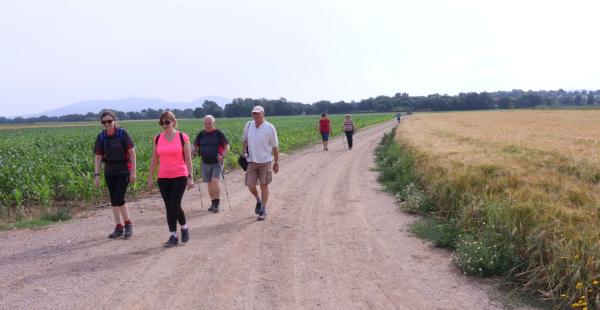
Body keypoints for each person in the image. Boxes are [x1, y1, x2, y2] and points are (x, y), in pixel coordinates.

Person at [147, 111, 194, 247]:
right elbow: (155, 159)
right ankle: (173, 235)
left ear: (173, 122)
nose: (165, 124)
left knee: (174, 204)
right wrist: (150, 176)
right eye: (162, 122)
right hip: (163, 177)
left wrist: (190, 177)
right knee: (169, 207)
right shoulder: (157, 138)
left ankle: (184, 227)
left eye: (167, 122)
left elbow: (188, 159)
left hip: (180, 174)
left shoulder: (182, 137)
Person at [94, 110, 137, 239]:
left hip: (123, 170)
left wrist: (133, 172)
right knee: (113, 200)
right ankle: (118, 227)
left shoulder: (122, 134)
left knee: (119, 198)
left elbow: (132, 153)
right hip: (109, 171)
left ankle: (128, 224)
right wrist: (96, 174)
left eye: (109, 121)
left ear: (114, 121)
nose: (107, 124)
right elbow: (98, 157)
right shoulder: (101, 137)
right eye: (104, 122)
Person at [242, 105, 279, 221]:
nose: (256, 116)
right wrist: (243, 152)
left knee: (264, 185)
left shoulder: (269, 127)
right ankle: (258, 200)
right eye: (254, 113)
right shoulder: (248, 125)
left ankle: (263, 209)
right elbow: (245, 140)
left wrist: (276, 161)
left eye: (258, 113)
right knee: (250, 184)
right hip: (251, 161)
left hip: (265, 161)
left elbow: (275, 146)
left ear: (263, 114)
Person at [192, 115, 230, 213]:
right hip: (205, 162)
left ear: (214, 123)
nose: (207, 125)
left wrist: (223, 156)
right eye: (206, 123)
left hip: (217, 162)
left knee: (215, 182)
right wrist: (193, 153)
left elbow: (227, 146)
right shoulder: (201, 134)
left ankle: (217, 203)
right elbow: (195, 146)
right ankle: (213, 202)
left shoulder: (219, 133)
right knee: (209, 183)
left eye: (209, 123)